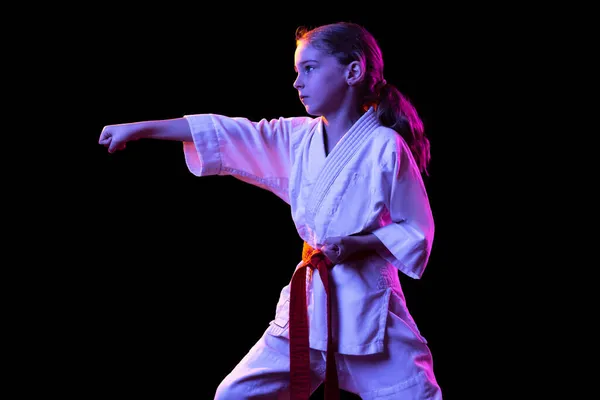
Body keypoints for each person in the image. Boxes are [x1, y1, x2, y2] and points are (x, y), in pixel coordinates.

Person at [99, 21, 442, 400]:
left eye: (309, 69)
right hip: (310, 311)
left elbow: (417, 229)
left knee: (416, 395)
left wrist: (360, 243)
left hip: (370, 316)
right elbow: (234, 132)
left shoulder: (386, 146)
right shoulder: (298, 138)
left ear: (353, 71)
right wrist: (142, 128)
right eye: (297, 72)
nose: (297, 83)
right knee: (234, 395)